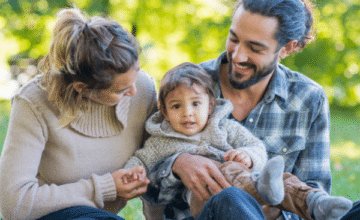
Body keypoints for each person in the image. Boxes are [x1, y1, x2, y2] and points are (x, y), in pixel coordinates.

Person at [141, 0, 359, 220]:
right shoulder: (185, 88)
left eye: (255, 48)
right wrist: (177, 165)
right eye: (233, 39)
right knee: (230, 199)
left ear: (287, 48)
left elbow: (316, 198)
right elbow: (147, 189)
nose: (238, 56)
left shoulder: (309, 98)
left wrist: (268, 209)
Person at [124, 62, 352, 220]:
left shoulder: (224, 127)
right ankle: (266, 190)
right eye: (176, 106)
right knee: (231, 180)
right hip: (204, 201)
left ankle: (316, 203)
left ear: (210, 105)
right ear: (163, 110)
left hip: (248, 190)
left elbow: (256, 148)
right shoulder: (161, 141)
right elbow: (140, 162)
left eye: (195, 104)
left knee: (250, 171)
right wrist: (130, 174)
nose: (187, 113)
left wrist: (248, 157)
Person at [0, 7, 157, 220]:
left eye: (136, 76)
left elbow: (155, 166)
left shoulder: (144, 89)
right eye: (121, 90)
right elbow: (13, 205)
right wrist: (103, 188)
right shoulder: (33, 103)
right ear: (82, 88)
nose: (134, 91)